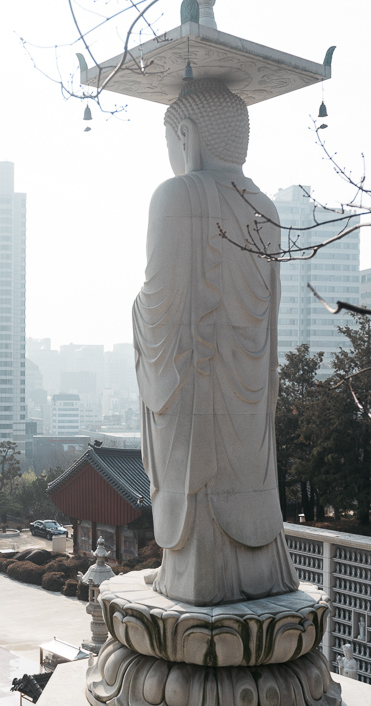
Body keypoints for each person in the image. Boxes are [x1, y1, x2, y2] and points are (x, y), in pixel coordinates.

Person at [134, 79, 293, 606]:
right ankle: (259, 570)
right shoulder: (266, 208)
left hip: (198, 389)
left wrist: (134, 313)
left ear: (187, 135)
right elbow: (266, 325)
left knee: (198, 475)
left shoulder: (176, 195)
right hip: (250, 400)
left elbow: (160, 306)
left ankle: (195, 574)